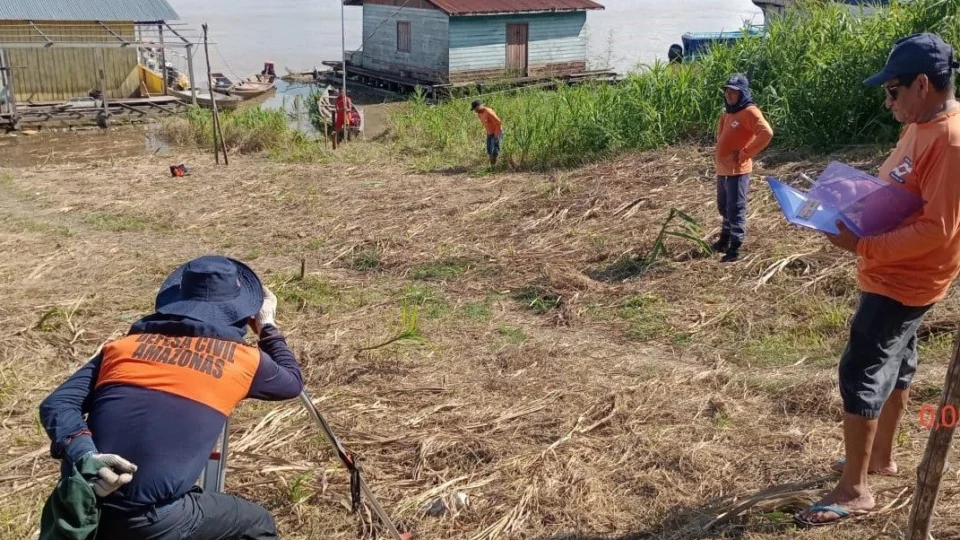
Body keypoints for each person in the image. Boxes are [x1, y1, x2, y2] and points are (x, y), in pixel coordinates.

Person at [795, 32, 960, 528]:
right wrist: (854, 193)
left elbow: (938, 228)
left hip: (904, 280)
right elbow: (906, 188)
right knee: (899, 363)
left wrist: (862, 245)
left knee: (861, 369)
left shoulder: (950, 141)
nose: (888, 102)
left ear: (923, 84)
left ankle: (854, 490)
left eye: (893, 91)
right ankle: (880, 458)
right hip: (893, 271)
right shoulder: (921, 125)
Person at [39, 255, 305, 539]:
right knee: (258, 522)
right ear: (243, 312)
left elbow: (57, 403)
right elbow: (292, 382)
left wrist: (86, 455)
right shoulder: (245, 361)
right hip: (148, 518)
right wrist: (267, 326)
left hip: (80, 502)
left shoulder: (123, 347)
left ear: (177, 300)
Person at [712, 73, 774, 262]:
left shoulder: (750, 112)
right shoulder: (727, 112)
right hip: (723, 169)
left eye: (734, 92)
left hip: (737, 170)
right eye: (727, 91)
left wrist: (746, 152)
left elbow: (766, 133)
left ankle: (735, 247)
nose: (729, 95)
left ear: (743, 93)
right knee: (723, 207)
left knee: (735, 209)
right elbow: (721, 136)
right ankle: (724, 239)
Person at [471, 100, 503, 167]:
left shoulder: (488, 112)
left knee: (494, 150)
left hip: (496, 132)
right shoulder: (479, 114)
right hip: (489, 133)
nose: (475, 111)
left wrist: (496, 135)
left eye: (475, 109)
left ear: (479, 106)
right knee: (489, 150)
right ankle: (492, 166)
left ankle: (494, 167)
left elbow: (498, 122)